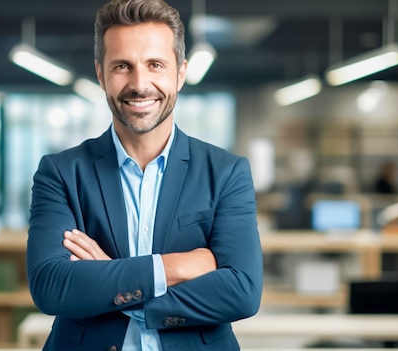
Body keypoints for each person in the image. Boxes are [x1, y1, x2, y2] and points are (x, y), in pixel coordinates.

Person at [26, 0, 263, 350]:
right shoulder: (61, 173)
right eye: (122, 66)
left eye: (155, 65)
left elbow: (242, 292)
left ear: (180, 73)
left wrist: (110, 277)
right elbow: (51, 286)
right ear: (101, 74)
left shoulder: (226, 172)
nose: (140, 84)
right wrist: (173, 267)